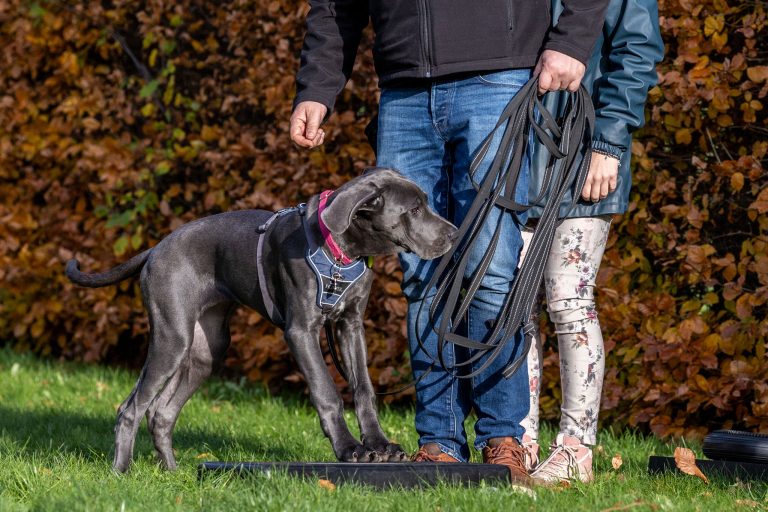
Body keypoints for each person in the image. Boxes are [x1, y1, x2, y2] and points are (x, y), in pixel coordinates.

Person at [290, 0, 609, 481]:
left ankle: (503, 440)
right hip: (402, 92)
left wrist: (570, 41)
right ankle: (439, 442)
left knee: (490, 270)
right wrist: (317, 86)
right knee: (422, 280)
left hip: (497, 79)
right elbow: (336, 6)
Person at [517, 0, 664, 483]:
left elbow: (637, 48)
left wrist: (610, 142)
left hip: (585, 151)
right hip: (516, 156)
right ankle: (519, 441)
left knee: (569, 301)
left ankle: (575, 450)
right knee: (514, 307)